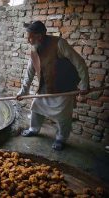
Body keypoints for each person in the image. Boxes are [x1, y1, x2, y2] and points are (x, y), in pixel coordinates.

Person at [16, 21, 89, 151]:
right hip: (46, 88)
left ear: (39, 36)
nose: (28, 40)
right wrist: (23, 91)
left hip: (64, 88)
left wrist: (84, 84)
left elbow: (80, 63)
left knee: (63, 117)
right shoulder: (34, 48)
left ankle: (61, 138)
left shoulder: (59, 43)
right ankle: (34, 129)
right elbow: (30, 72)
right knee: (36, 108)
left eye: (30, 37)